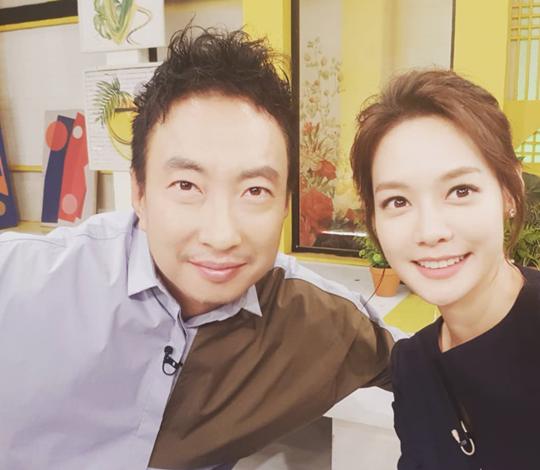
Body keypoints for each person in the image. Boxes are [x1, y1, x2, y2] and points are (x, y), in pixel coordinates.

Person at [0, 26, 402, 470]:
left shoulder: (314, 318)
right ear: (139, 193)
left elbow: (430, 367)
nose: (221, 234)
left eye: (254, 191)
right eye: (187, 185)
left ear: (286, 205)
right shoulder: (19, 285)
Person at [350, 68, 540, 470]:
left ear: (510, 192)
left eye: (460, 190)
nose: (430, 231)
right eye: (398, 201)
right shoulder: (412, 363)